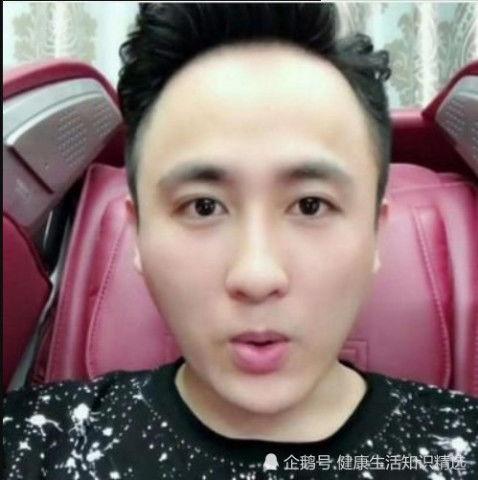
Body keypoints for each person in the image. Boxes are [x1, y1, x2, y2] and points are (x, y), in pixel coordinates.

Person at [3, 4, 477, 479]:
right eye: (203, 207)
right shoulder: (36, 445)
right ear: (139, 233)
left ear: (376, 233)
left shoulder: (458, 451)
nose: (257, 276)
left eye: (310, 205)